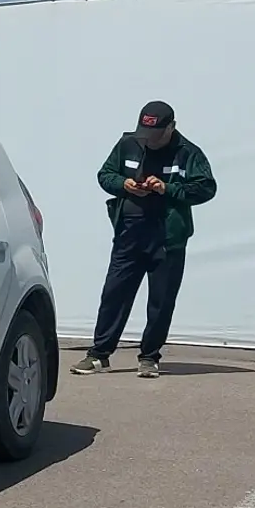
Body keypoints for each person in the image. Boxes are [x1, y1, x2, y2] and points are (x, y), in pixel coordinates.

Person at [72, 100, 217, 379]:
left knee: (161, 301)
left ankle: (149, 357)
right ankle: (99, 355)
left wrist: (167, 188)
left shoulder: (188, 153)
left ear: (171, 127)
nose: (149, 139)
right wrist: (123, 185)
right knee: (114, 293)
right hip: (130, 232)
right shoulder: (128, 144)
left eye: (156, 133)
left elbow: (206, 188)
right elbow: (105, 175)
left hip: (167, 237)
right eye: (145, 132)